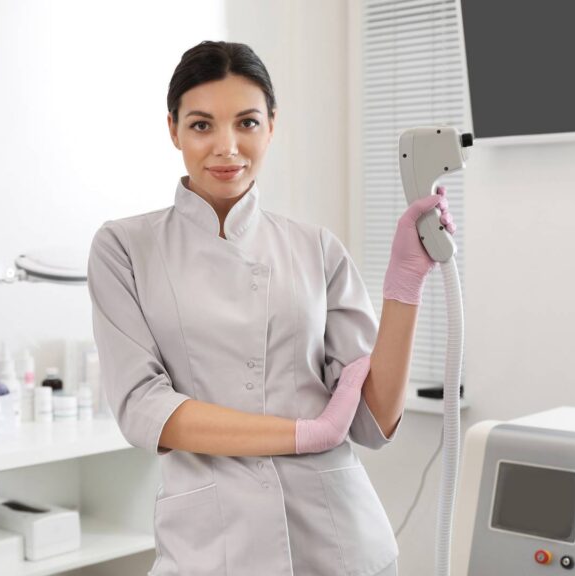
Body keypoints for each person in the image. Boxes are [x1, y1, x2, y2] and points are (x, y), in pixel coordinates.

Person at [87, 40, 455, 576]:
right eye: (201, 125)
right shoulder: (125, 247)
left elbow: (373, 421)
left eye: (247, 123)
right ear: (172, 130)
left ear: (272, 126)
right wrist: (306, 433)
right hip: (213, 547)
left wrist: (404, 287)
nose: (227, 147)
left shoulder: (316, 247)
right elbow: (144, 407)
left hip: (338, 540)